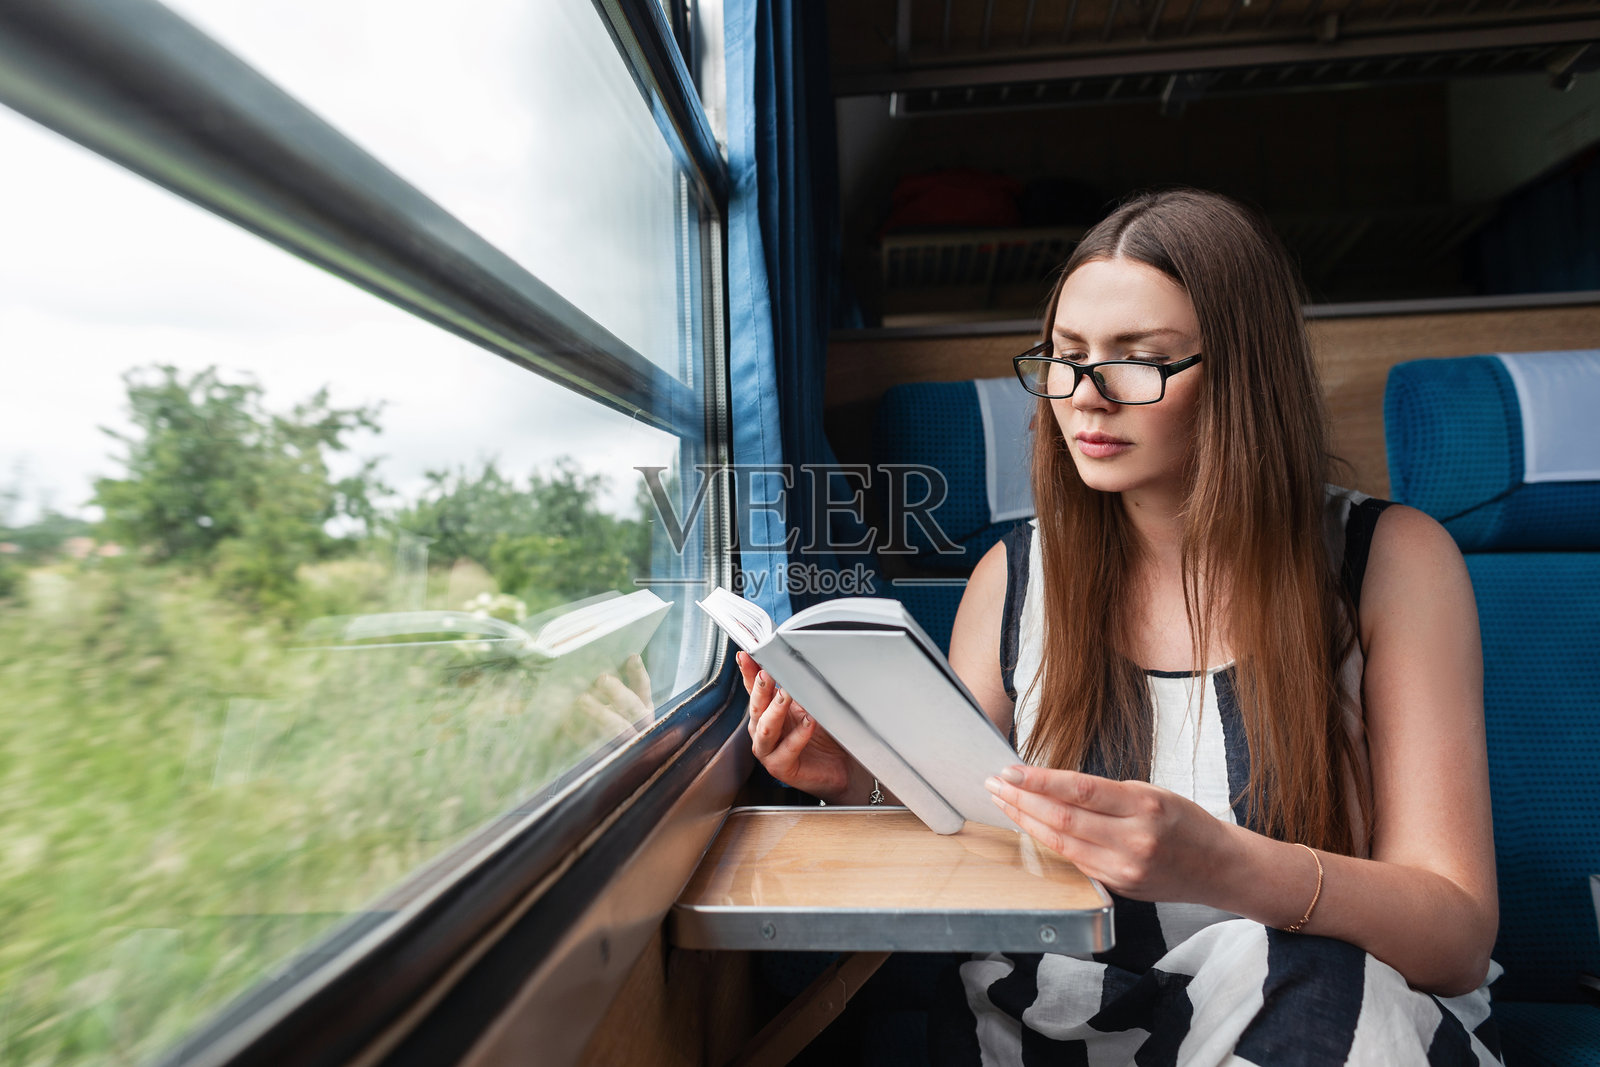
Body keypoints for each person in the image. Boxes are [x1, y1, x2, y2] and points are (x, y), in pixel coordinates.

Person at [736, 188, 1502, 1064]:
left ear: (1243, 373)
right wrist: (858, 786)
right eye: (1065, 358)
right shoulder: (1009, 581)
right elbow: (969, 853)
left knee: (1309, 983)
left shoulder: (1390, 561)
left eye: (1137, 361)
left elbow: (1455, 937)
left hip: (1314, 1008)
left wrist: (1222, 864)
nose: (1085, 398)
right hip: (1056, 1018)